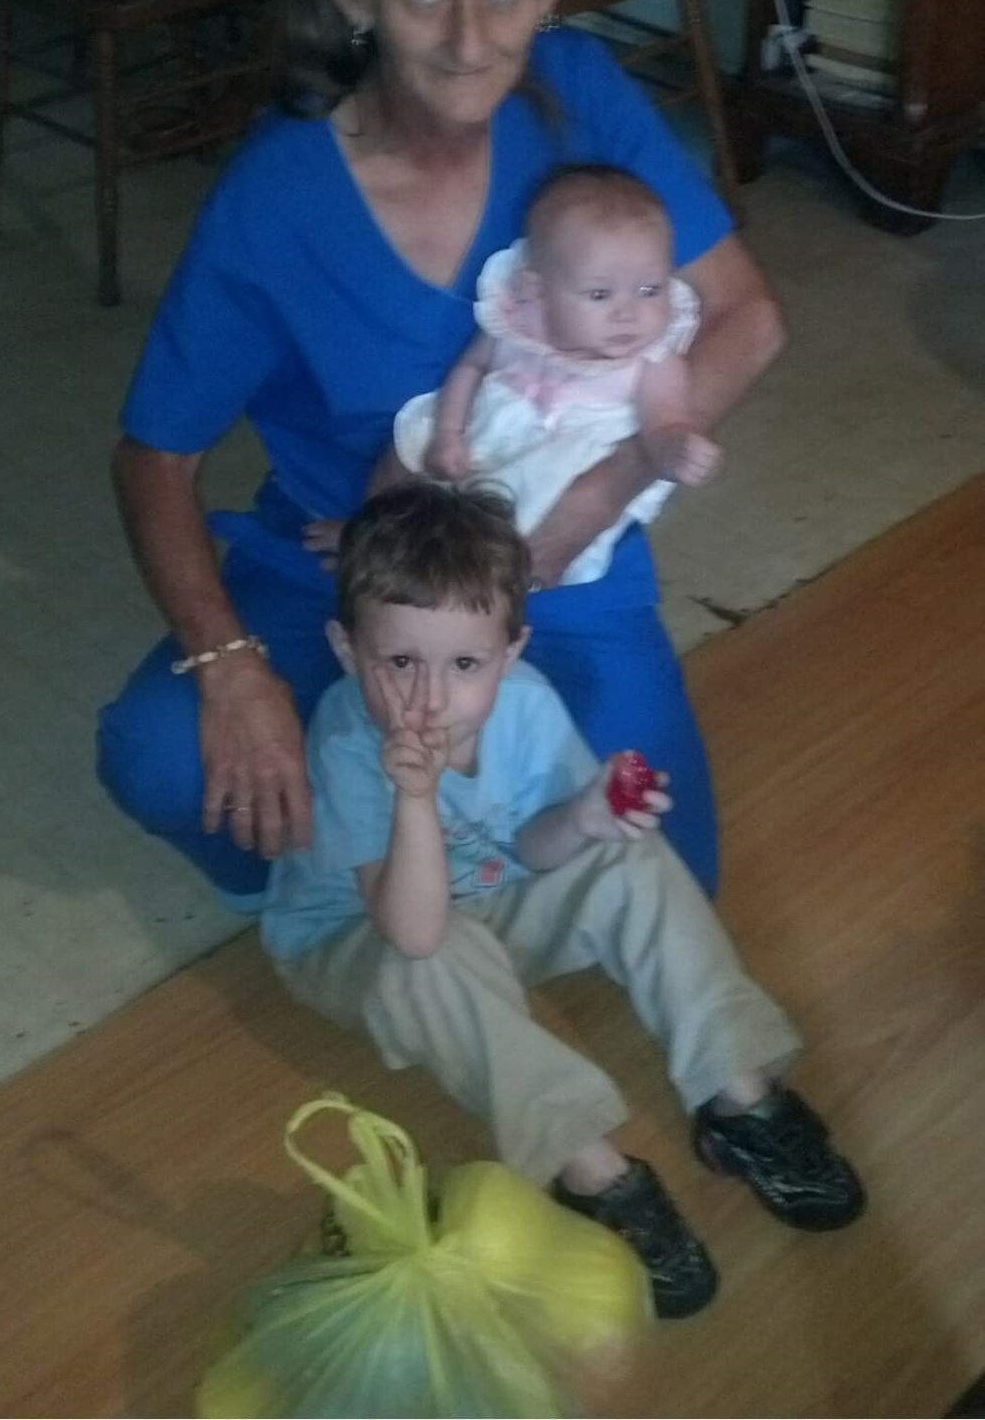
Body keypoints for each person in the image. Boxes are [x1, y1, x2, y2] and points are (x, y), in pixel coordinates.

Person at [97, 0, 786, 910]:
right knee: (164, 758)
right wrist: (226, 665)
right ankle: (357, 889)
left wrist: (593, 498)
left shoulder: (582, 96)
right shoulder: (276, 195)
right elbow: (154, 457)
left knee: (657, 871)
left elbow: (747, 316)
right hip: (345, 561)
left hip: (557, 556)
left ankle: (450, 863)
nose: (470, 41)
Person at [265, 482, 865, 1321]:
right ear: (345, 650)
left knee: (627, 854)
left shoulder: (526, 704)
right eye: (398, 663)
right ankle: (587, 1167)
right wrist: (414, 797)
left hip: (490, 901)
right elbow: (414, 931)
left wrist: (583, 820)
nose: (430, 698)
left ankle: (736, 1089)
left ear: (510, 652)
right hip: (362, 942)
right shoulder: (347, 741)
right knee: (432, 961)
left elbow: (529, 848)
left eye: (464, 664)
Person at [386, 162, 721, 584]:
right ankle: (376, 542)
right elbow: (471, 367)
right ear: (538, 289)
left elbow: (665, 421)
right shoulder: (518, 321)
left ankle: (464, 593)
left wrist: (675, 449)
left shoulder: (653, 359)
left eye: (649, 289)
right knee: (406, 458)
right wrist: (448, 433)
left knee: (507, 537)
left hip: (554, 471)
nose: (628, 313)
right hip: (482, 436)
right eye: (599, 294)